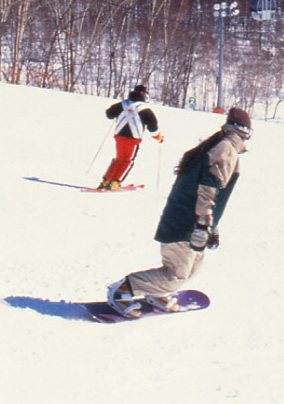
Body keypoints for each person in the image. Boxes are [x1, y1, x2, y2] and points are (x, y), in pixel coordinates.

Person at [105, 106, 252, 318]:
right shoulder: (226, 149)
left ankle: (157, 291)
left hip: (190, 219)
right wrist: (202, 225)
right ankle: (123, 291)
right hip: (185, 221)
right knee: (176, 274)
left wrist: (212, 226)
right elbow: (208, 189)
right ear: (243, 132)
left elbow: (214, 193)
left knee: (192, 269)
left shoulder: (221, 146)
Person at [98, 84, 162, 190]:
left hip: (119, 136)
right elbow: (153, 126)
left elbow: (109, 114)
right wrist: (158, 137)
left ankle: (106, 181)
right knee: (127, 160)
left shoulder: (122, 104)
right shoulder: (145, 109)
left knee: (119, 159)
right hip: (133, 138)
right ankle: (115, 182)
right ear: (143, 94)